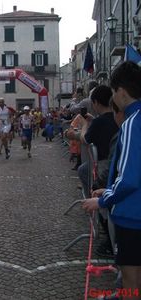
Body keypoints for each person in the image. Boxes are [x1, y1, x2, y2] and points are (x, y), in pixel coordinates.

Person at [82, 61, 141, 297]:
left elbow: (128, 178)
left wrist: (104, 199)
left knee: (131, 278)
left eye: (114, 92)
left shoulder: (132, 123)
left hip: (132, 215)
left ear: (121, 92)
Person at [77, 85, 119, 196]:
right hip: (118, 162)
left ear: (96, 102)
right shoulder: (118, 118)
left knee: (82, 170)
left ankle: (91, 199)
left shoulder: (98, 122)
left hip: (103, 164)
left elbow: (85, 139)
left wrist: (85, 125)